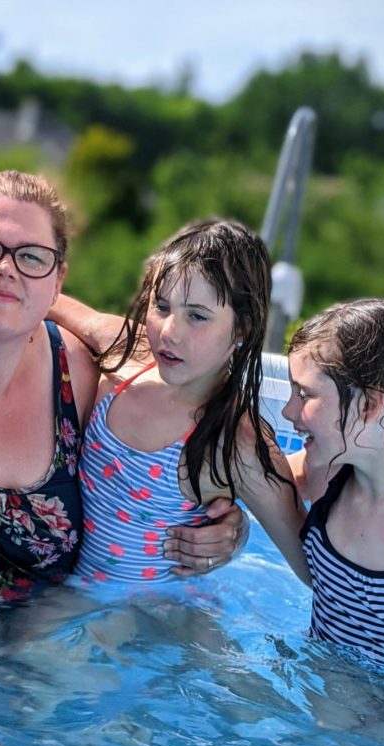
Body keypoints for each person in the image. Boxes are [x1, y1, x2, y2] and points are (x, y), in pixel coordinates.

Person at [0, 172, 246, 601]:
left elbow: (192, 379)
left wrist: (229, 528)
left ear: (58, 279)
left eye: (33, 257)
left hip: (52, 645)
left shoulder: (81, 373)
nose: (5, 269)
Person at [51, 219, 309, 587]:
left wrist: (238, 537)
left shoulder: (234, 441)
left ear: (242, 329)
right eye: (161, 306)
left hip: (158, 617)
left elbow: (310, 565)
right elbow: (45, 299)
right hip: (81, 594)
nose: (169, 332)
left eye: (197, 316)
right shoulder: (130, 356)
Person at [283, 298, 384, 669]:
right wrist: (232, 531)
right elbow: (238, 478)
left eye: (305, 394)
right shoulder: (326, 475)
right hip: (320, 689)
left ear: (369, 405)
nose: (288, 411)